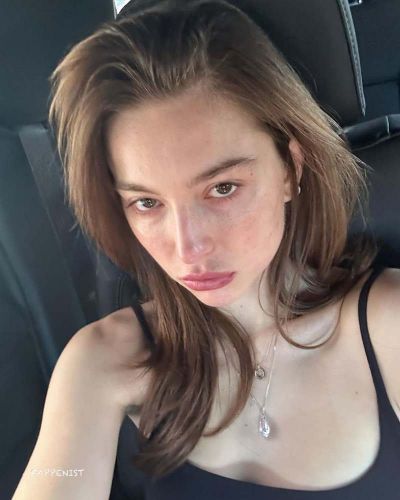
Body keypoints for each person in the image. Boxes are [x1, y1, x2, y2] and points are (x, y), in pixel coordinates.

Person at [13, 1, 400, 499]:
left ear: (290, 169)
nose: (188, 247)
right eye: (147, 202)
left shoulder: (389, 325)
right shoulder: (100, 364)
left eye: (222, 188)